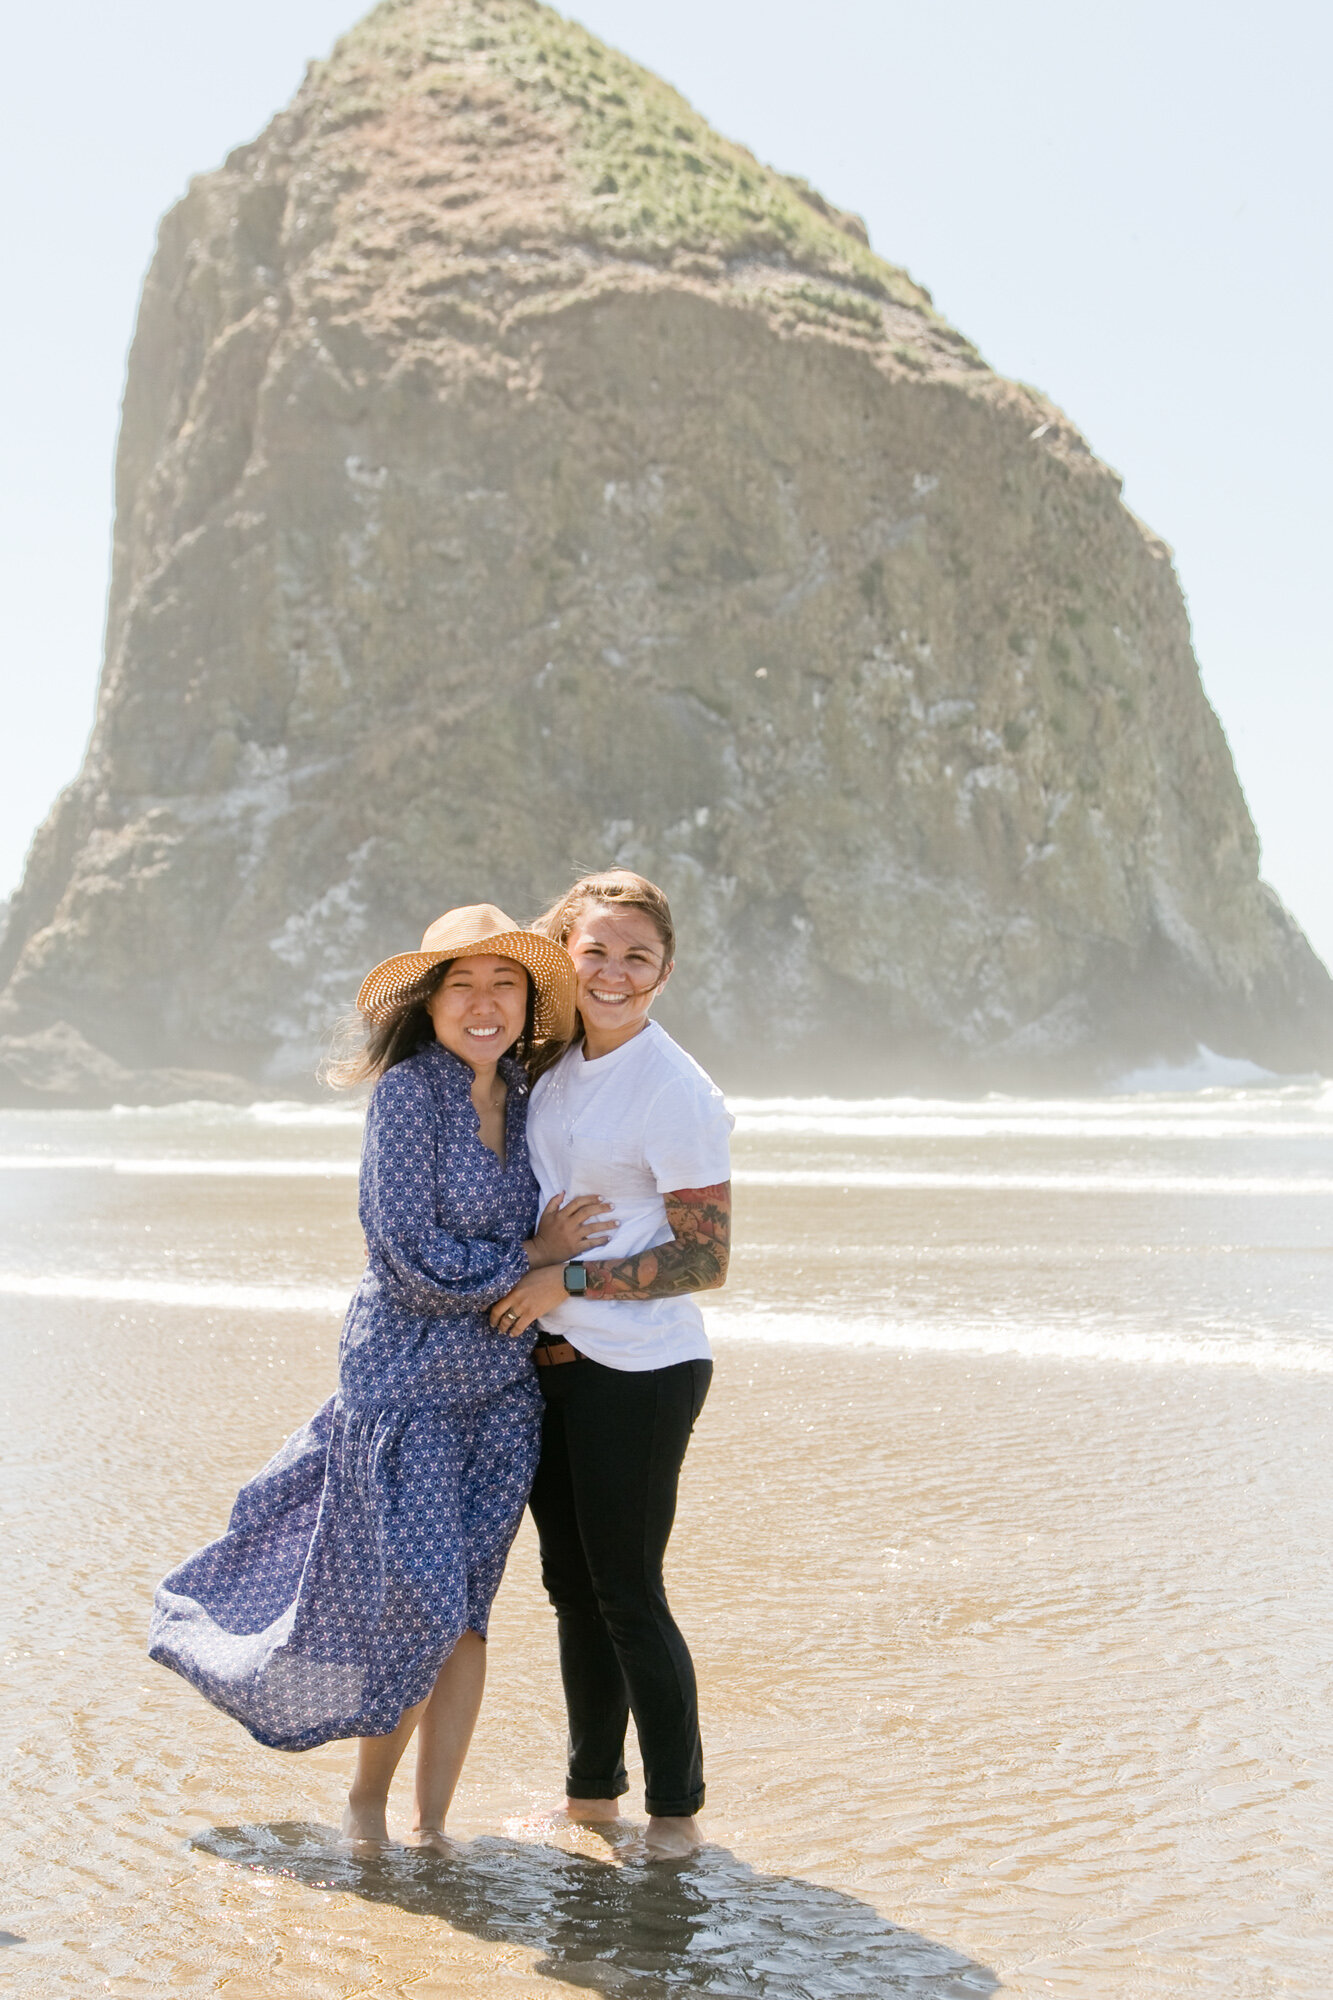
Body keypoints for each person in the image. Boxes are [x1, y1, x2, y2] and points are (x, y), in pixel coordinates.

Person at [149, 904, 612, 1850]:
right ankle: (367, 1799)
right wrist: (534, 1255)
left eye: (504, 984)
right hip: (402, 1391)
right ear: (430, 1004)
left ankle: (431, 1824)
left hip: (498, 1397)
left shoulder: (529, 1098)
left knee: (467, 1620)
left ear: (527, 1003)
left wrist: (566, 1273)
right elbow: (406, 1253)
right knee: (417, 1605)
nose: (483, 1004)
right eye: (461, 986)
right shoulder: (408, 1095)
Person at [489, 871, 733, 1860]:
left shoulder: (673, 1089)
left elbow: (705, 1256)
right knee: (571, 1587)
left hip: (642, 1365)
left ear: (663, 971)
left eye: (638, 955)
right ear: (567, 954)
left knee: (628, 1589)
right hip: (557, 1360)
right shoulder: (553, 1066)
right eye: (597, 950)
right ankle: (593, 1795)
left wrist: (564, 1277)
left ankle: (675, 1813)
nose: (616, 971)